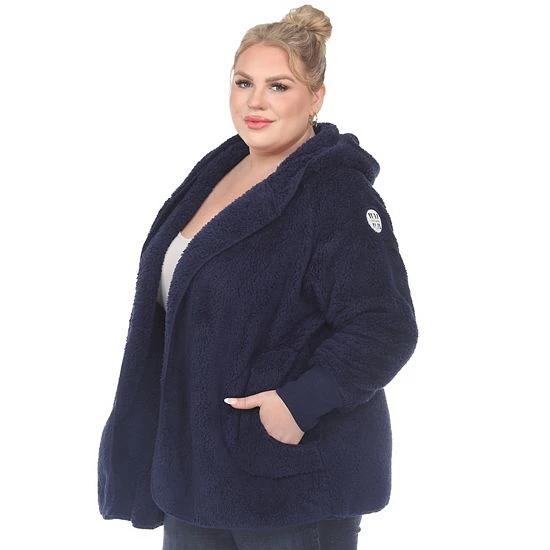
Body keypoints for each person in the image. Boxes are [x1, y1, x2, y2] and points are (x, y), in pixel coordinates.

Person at [97, 4, 418, 549]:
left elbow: (384, 326)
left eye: (279, 86)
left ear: (316, 98)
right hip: (195, 477)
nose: (255, 101)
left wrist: (298, 404)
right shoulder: (219, 172)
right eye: (244, 82)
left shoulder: (336, 194)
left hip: (291, 482)